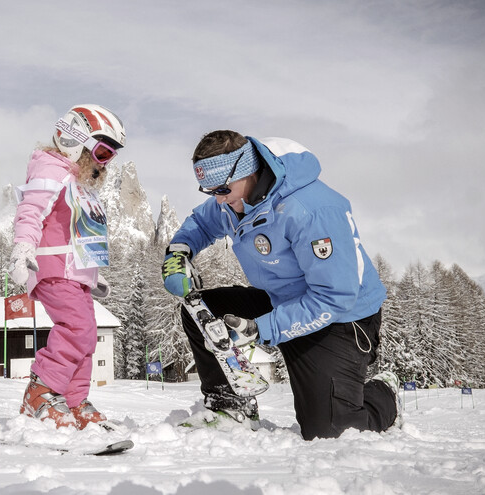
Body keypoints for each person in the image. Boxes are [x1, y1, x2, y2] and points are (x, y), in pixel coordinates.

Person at [161, 130, 398, 440]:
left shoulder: (311, 210)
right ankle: (230, 407)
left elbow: (334, 297)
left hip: (341, 318)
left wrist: (262, 328)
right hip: (282, 302)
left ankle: (384, 393)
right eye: (210, 190)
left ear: (247, 170)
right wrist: (180, 252)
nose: (218, 199)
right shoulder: (233, 200)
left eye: (222, 189)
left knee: (330, 431)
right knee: (201, 310)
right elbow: (202, 222)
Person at [8, 104, 125, 429]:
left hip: (74, 272)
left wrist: (93, 274)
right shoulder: (52, 170)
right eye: (101, 152)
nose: (104, 163)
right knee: (76, 330)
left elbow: (77, 232)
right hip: (53, 267)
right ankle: (42, 391)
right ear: (75, 139)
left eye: (110, 156)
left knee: (86, 336)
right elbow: (31, 211)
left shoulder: (74, 181)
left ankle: (73, 401)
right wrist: (23, 248)